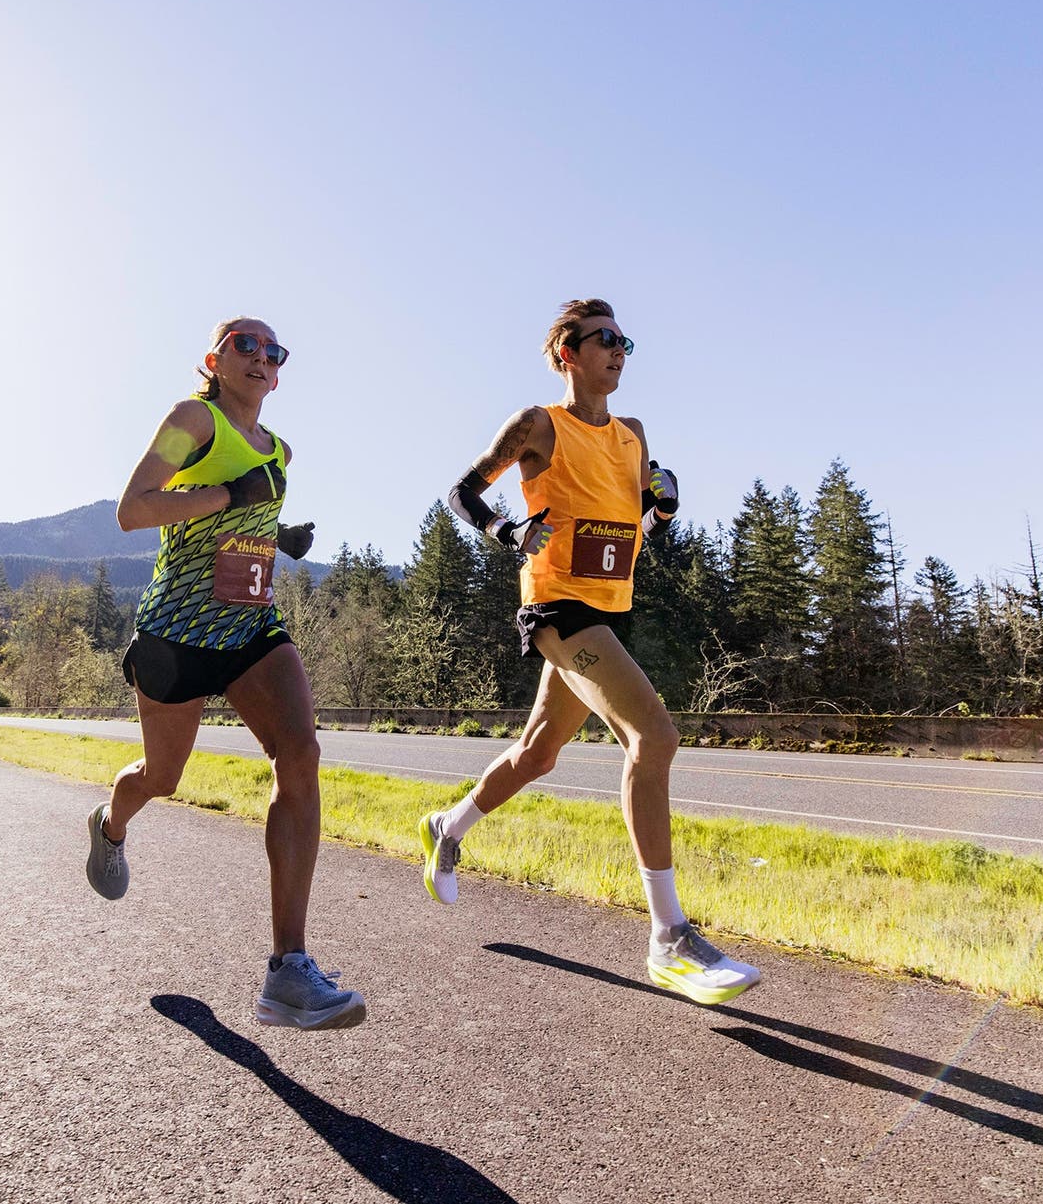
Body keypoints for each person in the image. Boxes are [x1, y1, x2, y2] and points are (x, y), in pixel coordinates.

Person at [420, 298, 762, 1005]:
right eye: (604, 338)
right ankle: (669, 936)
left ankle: (447, 828)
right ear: (566, 352)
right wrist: (506, 533)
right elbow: (461, 490)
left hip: (610, 611)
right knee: (653, 736)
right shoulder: (539, 425)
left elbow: (643, 518)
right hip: (557, 607)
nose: (619, 349)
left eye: (624, 340)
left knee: (537, 754)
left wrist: (665, 504)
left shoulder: (633, 434)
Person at [84, 317, 365, 1030]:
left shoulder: (280, 450)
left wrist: (278, 534)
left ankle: (289, 971)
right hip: (177, 633)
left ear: (279, 373)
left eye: (274, 352)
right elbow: (133, 508)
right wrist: (229, 498)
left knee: (300, 753)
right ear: (215, 359)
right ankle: (111, 822)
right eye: (246, 343)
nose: (261, 357)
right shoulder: (191, 418)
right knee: (161, 777)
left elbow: (251, 511)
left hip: (247, 626)